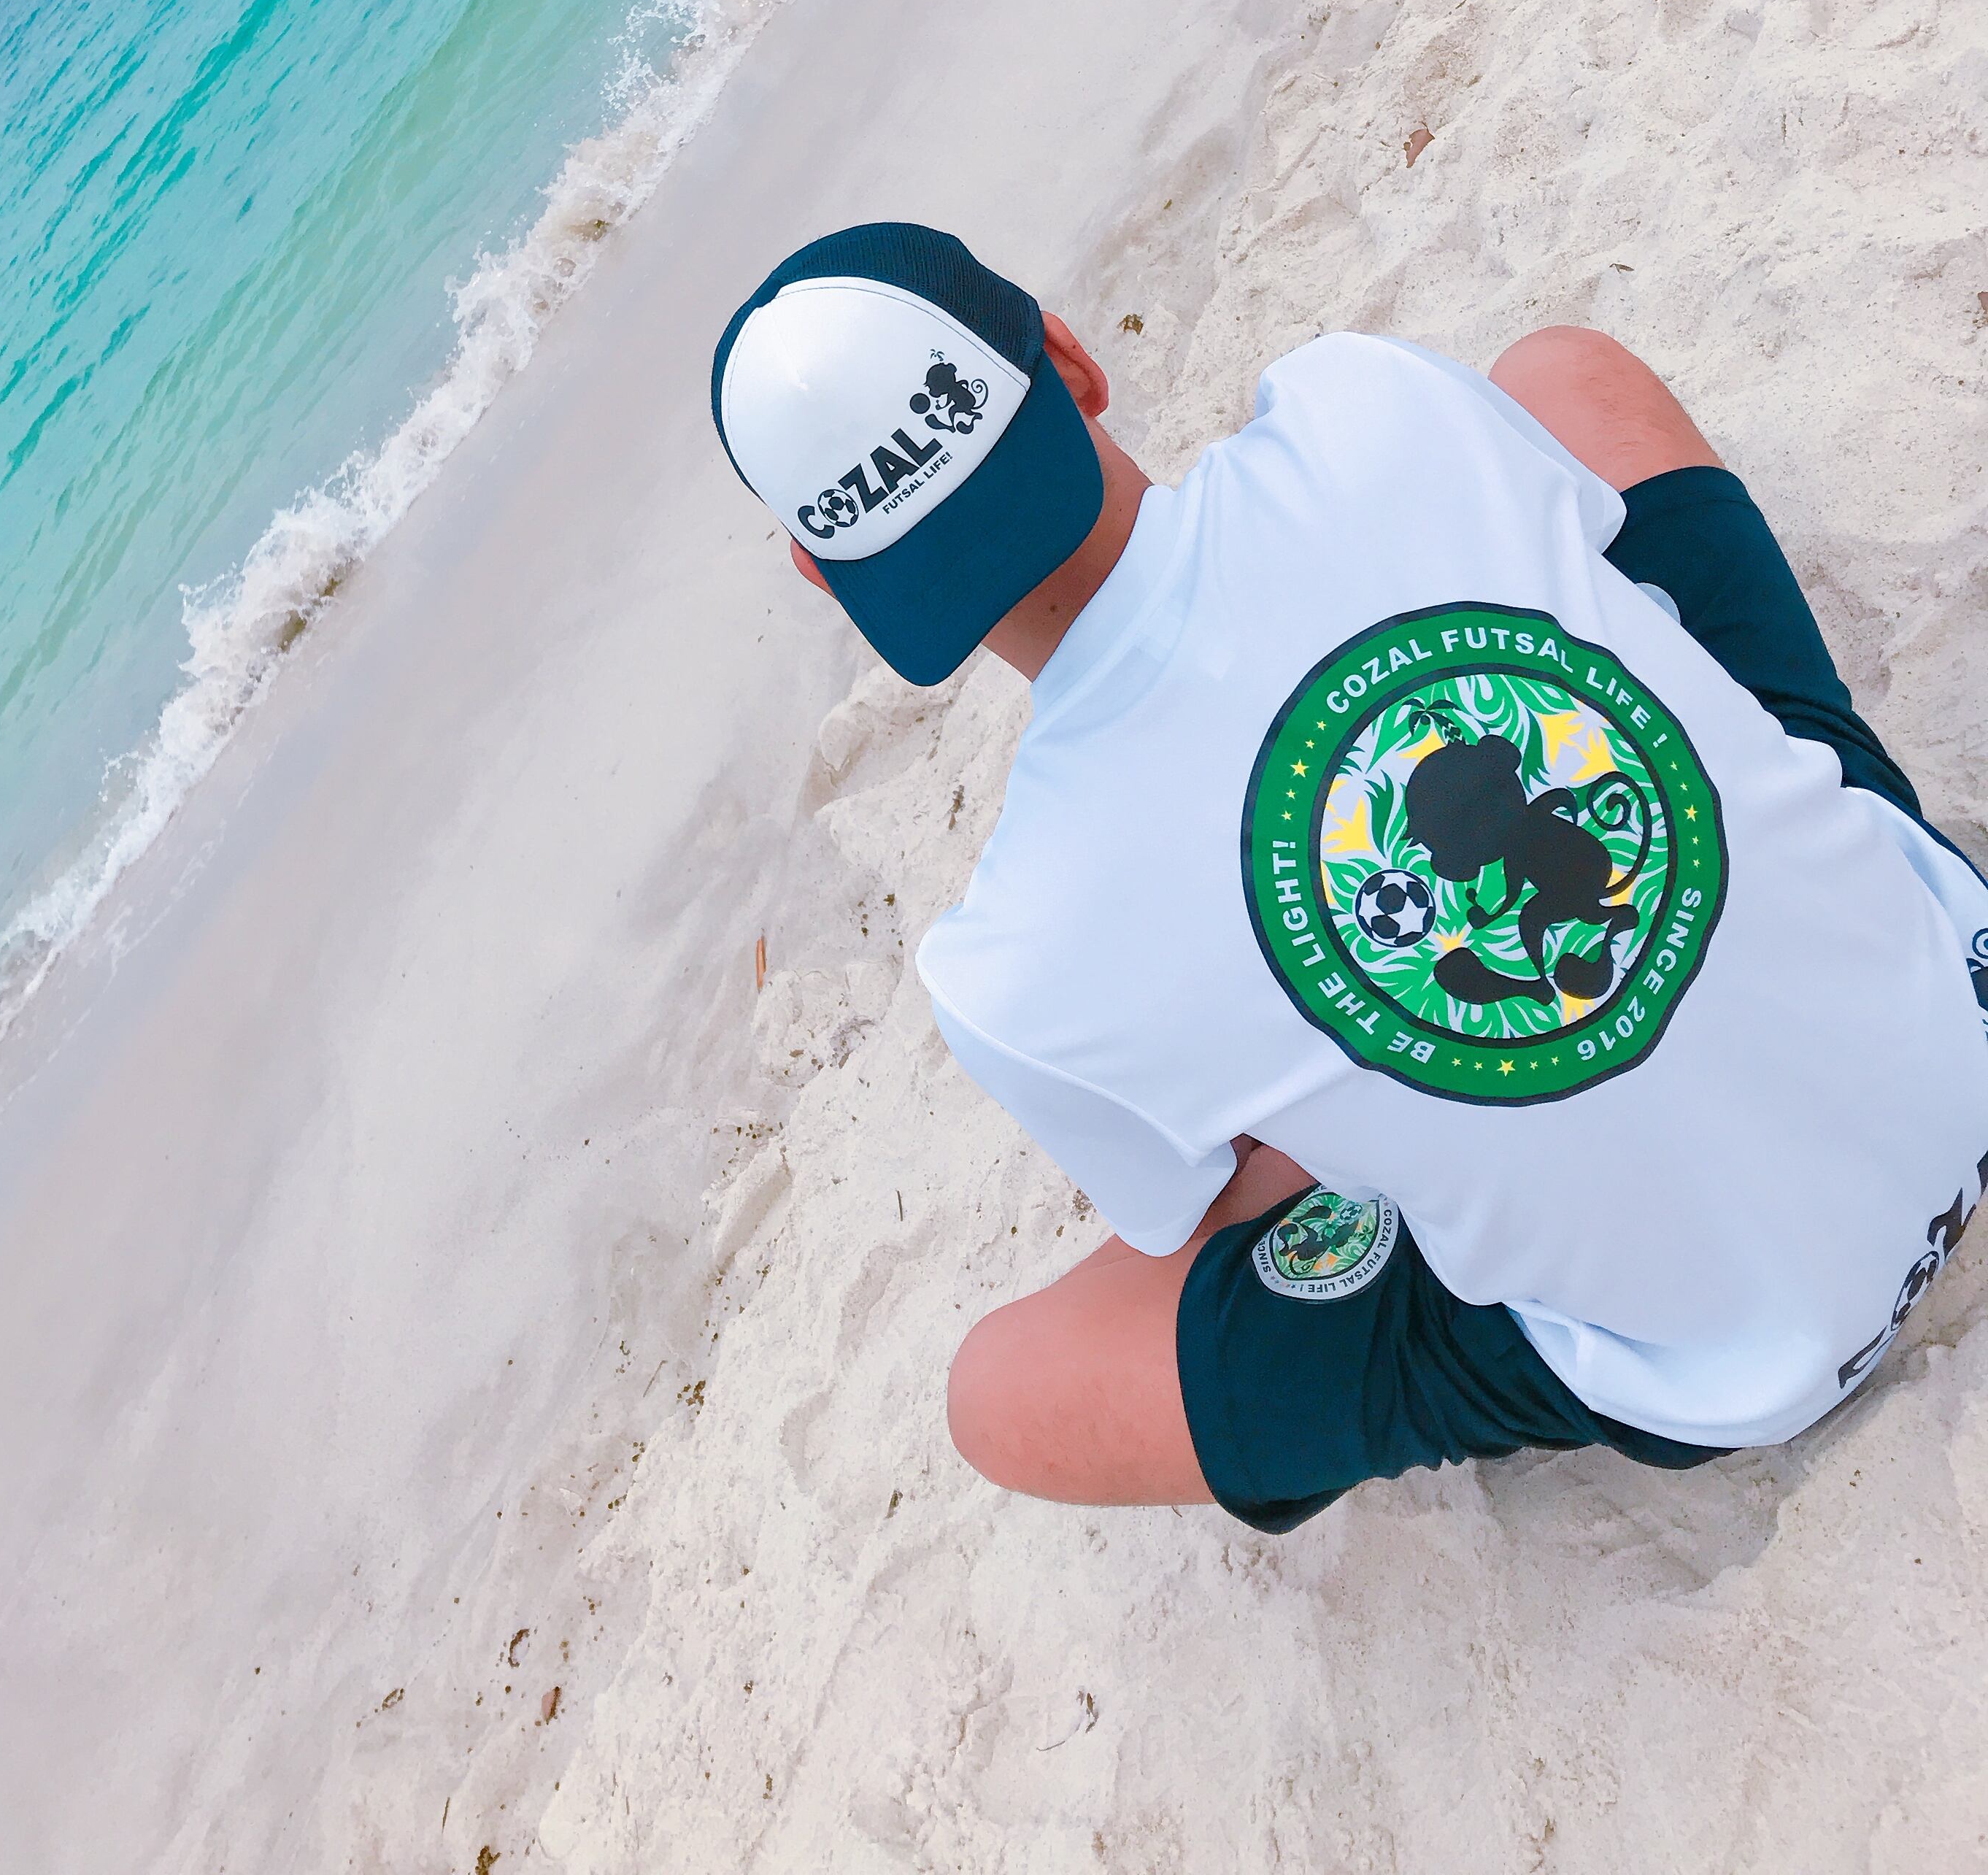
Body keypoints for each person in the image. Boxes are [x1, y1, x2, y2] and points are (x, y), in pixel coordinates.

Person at [709, 223, 1988, 1531]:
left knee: (1003, 1391)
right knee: (1564, 373)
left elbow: (1210, 1214)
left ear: (828, 576)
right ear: (1073, 362)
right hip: (1956, 1003)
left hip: (1741, 1361)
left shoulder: (1010, 966)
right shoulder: (1366, 404)